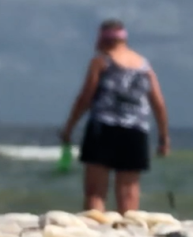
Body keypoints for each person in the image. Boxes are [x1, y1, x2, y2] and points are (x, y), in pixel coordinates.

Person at [60, 19, 170, 213]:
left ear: (102, 38)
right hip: (136, 130)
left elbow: (85, 98)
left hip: (103, 128)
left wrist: (69, 127)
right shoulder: (144, 66)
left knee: (96, 191)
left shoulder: (101, 62)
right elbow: (158, 104)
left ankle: (95, 230)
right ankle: (127, 233)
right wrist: (164, 137)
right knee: (129, 190)